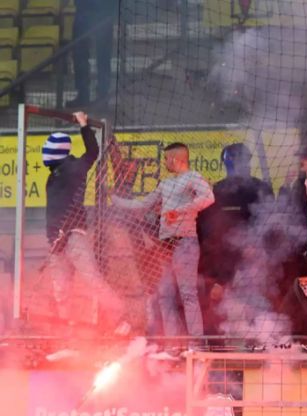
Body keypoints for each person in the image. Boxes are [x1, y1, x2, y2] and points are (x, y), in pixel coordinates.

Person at [112, 143, 215, 339]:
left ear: (177, 159)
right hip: (166, 246)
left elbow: (209, 197)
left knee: (188, 295)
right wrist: (116, 200)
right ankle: (172, 345)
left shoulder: (192, 177)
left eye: (167, 158)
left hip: (185, 243)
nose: (165, 162)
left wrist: (182, 210)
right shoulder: (165, 184)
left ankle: (196, 344)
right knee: (165, 295)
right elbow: (143, 204)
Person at [44, 112, 125, 331]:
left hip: (72, 237)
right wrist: (52, 238)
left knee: (92, 280)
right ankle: (66, 333)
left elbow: (92, 152)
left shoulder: (72, 169)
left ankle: (120, 319)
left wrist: (83, 124)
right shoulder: (55, 174)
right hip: (55, 241)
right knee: (61, 289)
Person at [197, 143, 273, 332]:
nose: (234, 165)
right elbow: (206, 228)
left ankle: (260, 340)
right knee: (220, 306)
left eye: (238, 160)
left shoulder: (261, 188)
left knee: (255, 302)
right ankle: (219, 344)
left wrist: (256, 247)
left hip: (253, 260)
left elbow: (271, 224)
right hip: (223, 262)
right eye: (230, 160)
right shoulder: (218, 190)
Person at [67, 0, 115, 107]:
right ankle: (85, 94)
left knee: (102, 56)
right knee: (80, 55)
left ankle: (102, 96)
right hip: (85, 11)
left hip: (102, 12)